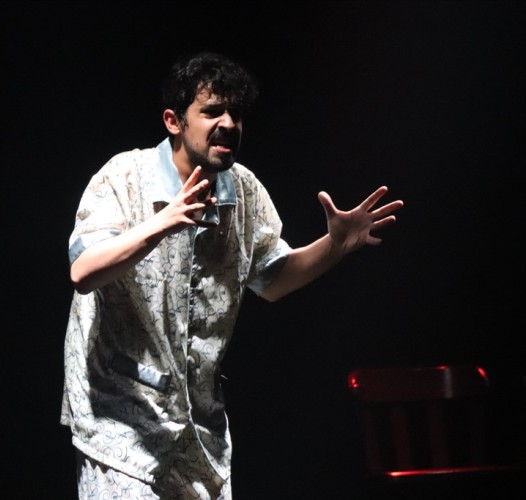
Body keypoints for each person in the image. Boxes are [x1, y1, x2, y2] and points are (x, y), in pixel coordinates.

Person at [60, 51, 403, 499]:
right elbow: (84, 272)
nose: (228, 123)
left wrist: (334, 246)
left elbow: (274, 280)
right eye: (212, 111)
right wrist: (162, 222)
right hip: (119, 420)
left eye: (235, 113)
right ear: (173, 121)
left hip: (198, 432)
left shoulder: (243, 189)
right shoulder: (124, 177)